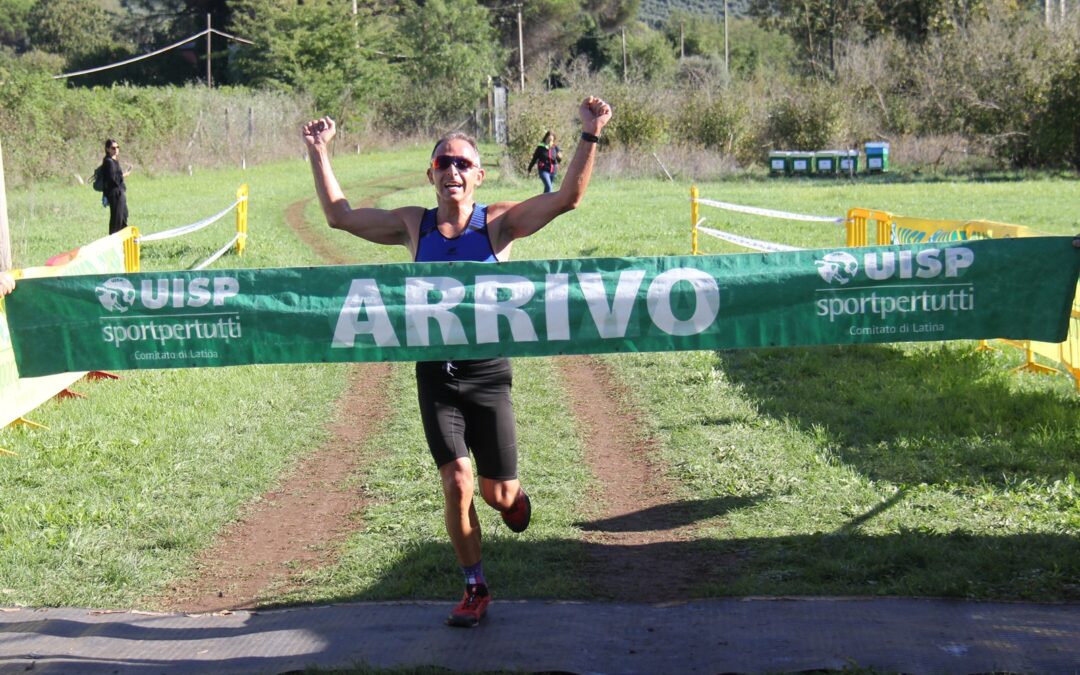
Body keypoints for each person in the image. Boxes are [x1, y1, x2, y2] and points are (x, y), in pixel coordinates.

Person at [302, 96, 612, 628]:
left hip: (489, 376)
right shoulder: (411, 225)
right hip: (436, 376)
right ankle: (475, 587)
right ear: (430, 174)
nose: (452, 170)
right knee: (457, 482)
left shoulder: (497, 225)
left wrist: (589, 134)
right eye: (444, 162)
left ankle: (512, 499)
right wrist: (318, 151)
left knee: (497, 493)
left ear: (479, 176)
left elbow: (567, 199)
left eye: (463, 163)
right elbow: (340, 217)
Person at [99, 139, 132, 235]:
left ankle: (124, 239)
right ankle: (113, 240)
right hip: (115, 194)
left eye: (117, 147)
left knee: (123, 215)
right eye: (113, 148)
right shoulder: (108, 162)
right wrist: (125, 175)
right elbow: (113, 179)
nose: (116, 150)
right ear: (107, 149)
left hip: (119, 192)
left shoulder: (114, 161)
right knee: (116, 219)